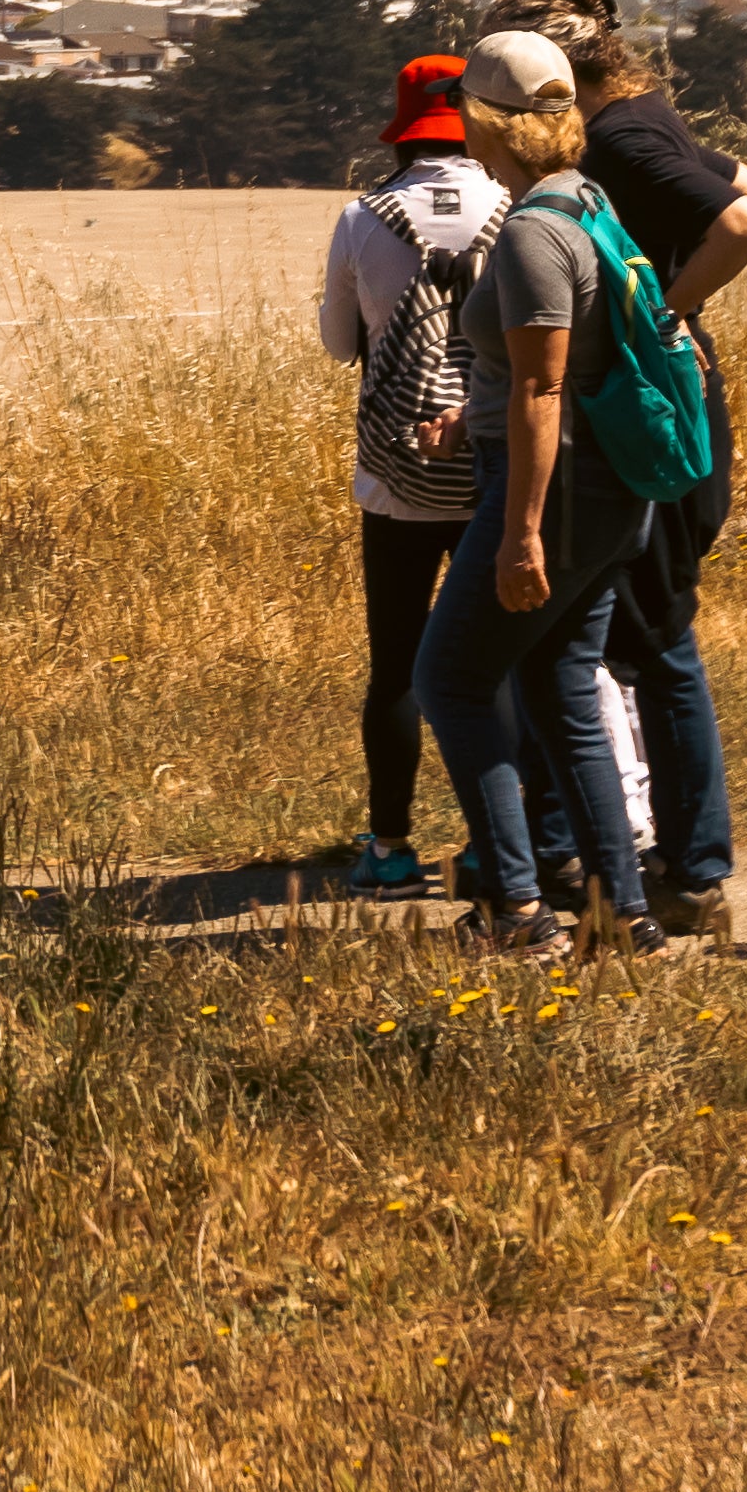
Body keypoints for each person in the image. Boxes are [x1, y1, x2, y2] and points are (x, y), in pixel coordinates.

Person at [503, 0, 747, 943]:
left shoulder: (617, 134)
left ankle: (691, 870)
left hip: (648, 400)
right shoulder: (642, 112)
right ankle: (670, 861)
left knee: (654, 640)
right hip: (674, 393)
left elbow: (744, 218)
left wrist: (666, 304)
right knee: (648, 635)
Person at [414, 29, 661, 956]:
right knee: (561, 684)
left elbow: (542, 386)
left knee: (449, 677)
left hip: (552, 492)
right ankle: (620, 912)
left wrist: (520, 532)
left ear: (487, 123)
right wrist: (471, 421)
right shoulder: (588, 202)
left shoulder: (530, 233)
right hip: (602, 489)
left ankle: (517, 911)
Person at [309, 52, 499, 895]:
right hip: (496, 465)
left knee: (398, 666)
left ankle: (390, 847)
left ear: (407, 127)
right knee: (497, 664)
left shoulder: (363, 216)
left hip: (397, 476)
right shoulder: (518, 207)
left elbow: (340, 344)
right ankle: (499, 844)